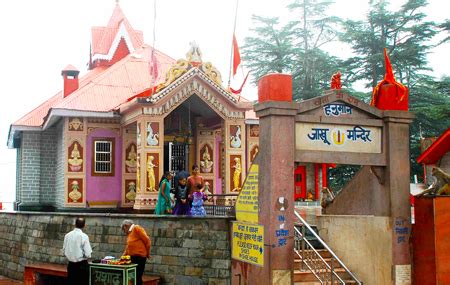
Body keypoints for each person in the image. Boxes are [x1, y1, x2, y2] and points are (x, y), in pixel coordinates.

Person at [63, 217, 92, 285]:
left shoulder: (67, 235)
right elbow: (88, 254)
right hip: (81, 265)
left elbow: (64, 250)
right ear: (84, 226)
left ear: (75, 224)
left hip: (71, 265)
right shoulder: (84, 236)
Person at [121, 220, 151, 285]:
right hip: (132, 257)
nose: (124, 232)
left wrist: (147, 253)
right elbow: (128, 247)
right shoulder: (130, 233)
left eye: (124, 230)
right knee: (132, 277)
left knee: (137, 276)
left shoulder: (136, 228)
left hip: (140, 257)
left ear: (126, 226)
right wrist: (122, 256)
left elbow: (147, 241)